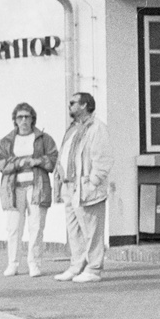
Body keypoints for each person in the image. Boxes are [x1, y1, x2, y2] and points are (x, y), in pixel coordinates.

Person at [54, 92, 114, 282]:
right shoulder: (73, 128)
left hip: (86, 187)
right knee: (74, 230)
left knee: (92, 230)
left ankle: (94, 268)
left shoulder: (97, 128)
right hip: (69, 186)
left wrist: (93, 182)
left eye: (73, 103)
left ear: (85, 105)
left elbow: (103, 158)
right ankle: (76, 265)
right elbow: (65, 153)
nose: (69, 105)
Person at [0, 103, 58, 276]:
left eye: (27, 117)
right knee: (14, 228)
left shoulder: (44, 139)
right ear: (15, 120)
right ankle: (13, 263)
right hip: (13, 189)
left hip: (37, 187)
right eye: (20, 117)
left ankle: (34, 264)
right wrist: (18, 163)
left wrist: (38, 161)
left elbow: (53, 160)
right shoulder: (6, 141)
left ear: (32, 119)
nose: (23, 120)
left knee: (36, 227)